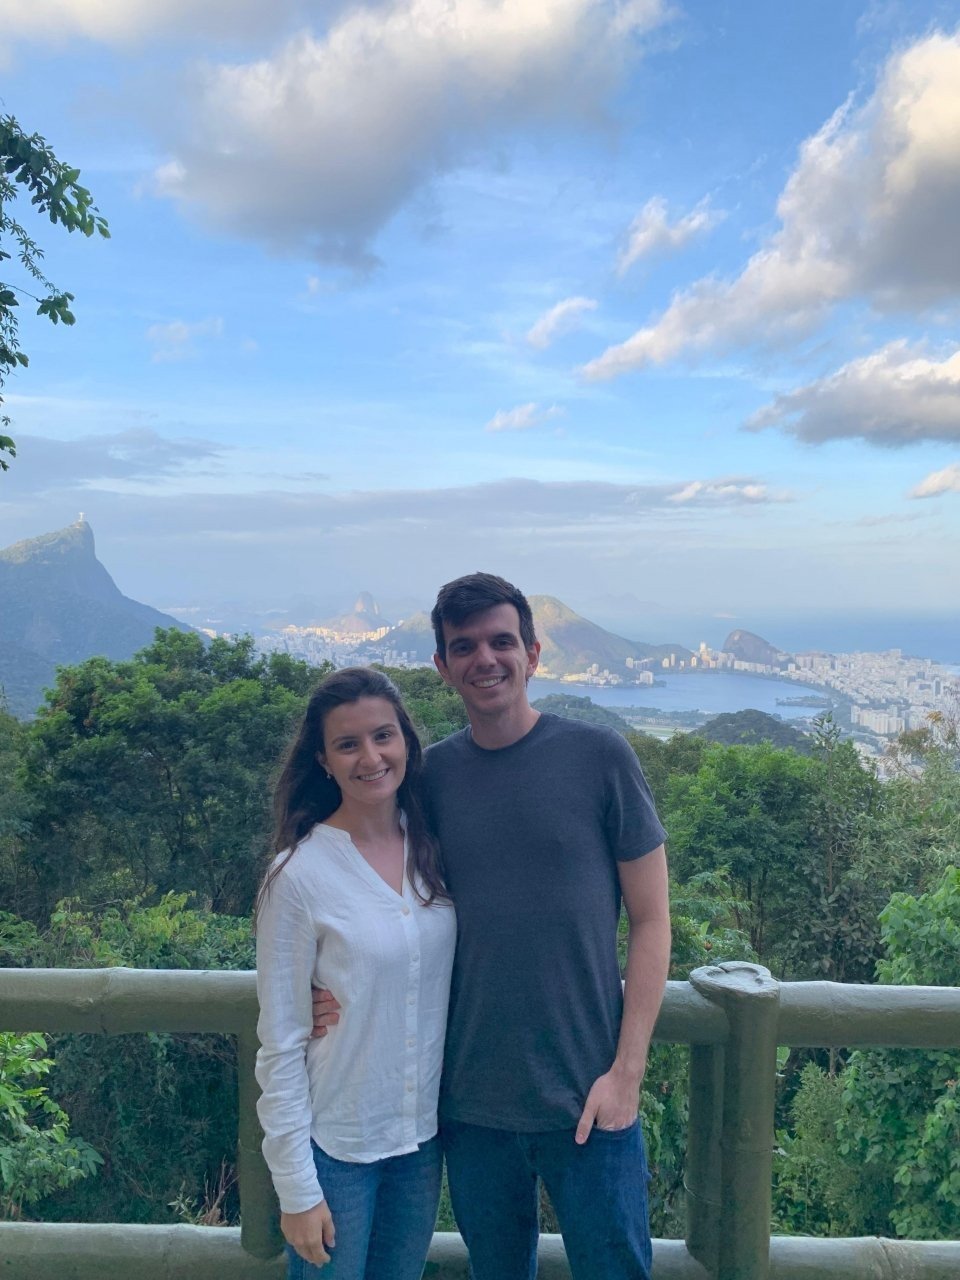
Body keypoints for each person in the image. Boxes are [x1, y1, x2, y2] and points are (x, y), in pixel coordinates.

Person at [315, 573, 670, 1280]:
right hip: (469, 1109)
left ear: (533, 654)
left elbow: (653, 919)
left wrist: (627, 1075)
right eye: (464, 646)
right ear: (442, 667)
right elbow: (360, 883)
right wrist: (313, 983)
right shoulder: (428, 780)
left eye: (502, 642)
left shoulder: (601, 759)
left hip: (591, 1097)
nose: (486, 659)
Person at [255, 667, 456, 1280]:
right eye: (348, 744)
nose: (370, 757)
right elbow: (281, 1042)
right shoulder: (298, 876)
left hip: (420, 1143)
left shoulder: (434, 847)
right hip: (337, 1147)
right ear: (323, 760)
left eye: (383, 736)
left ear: (406, 743)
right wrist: (296, 1189)